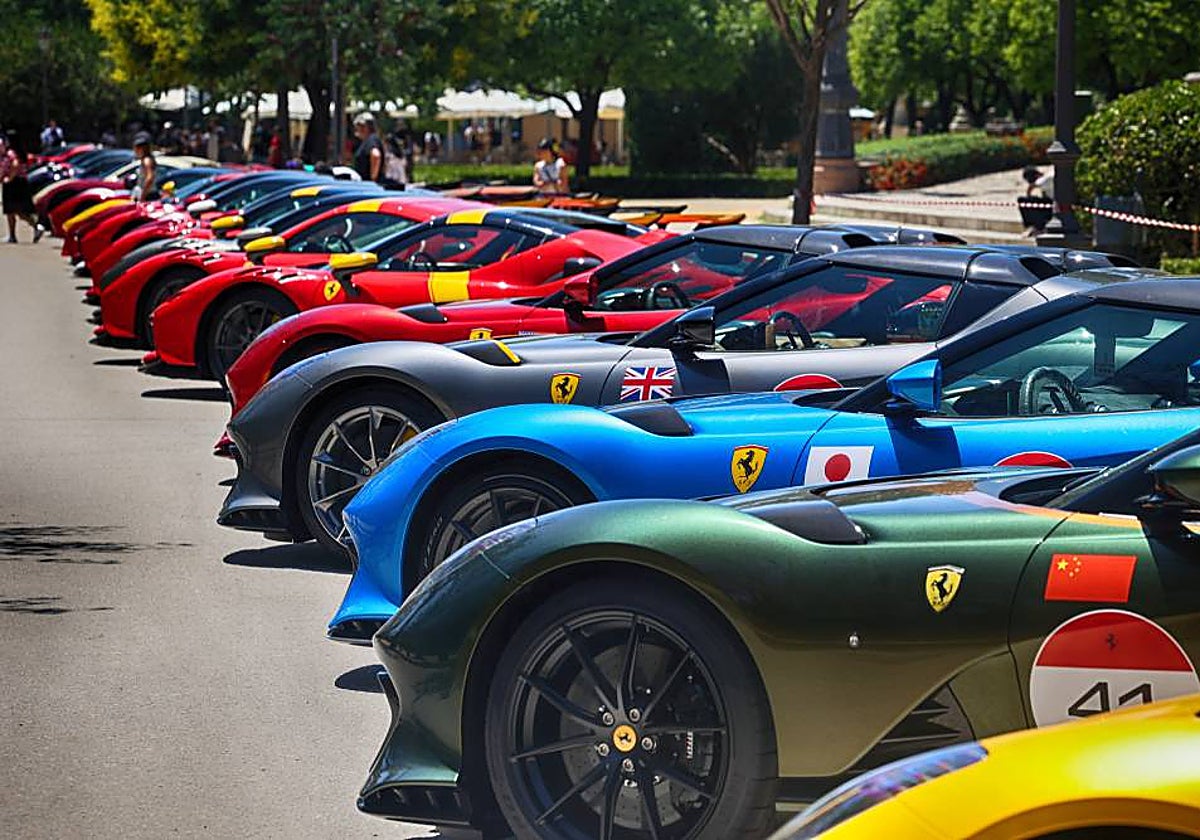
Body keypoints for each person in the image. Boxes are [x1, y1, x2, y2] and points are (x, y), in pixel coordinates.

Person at [1, 139, 42, 243]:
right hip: (18, 183)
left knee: (15, 210)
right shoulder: (14, 153)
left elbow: (15, 164)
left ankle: (35, 227)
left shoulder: (10, 153)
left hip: (14, 184)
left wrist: (9, 178)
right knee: (13, 211)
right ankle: (13, 235)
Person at [352, 112, 384, 183]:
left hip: (368, 185)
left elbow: (376, 155)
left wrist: (373, 179)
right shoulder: (367, 141)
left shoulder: (372, 139)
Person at [132, 132, 158, 202]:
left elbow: (150, 178)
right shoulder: (146, 159)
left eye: (137, 147)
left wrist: (142, 196)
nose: (135, 149)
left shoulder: (147, 160)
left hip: (149, 196)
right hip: (148, 194)